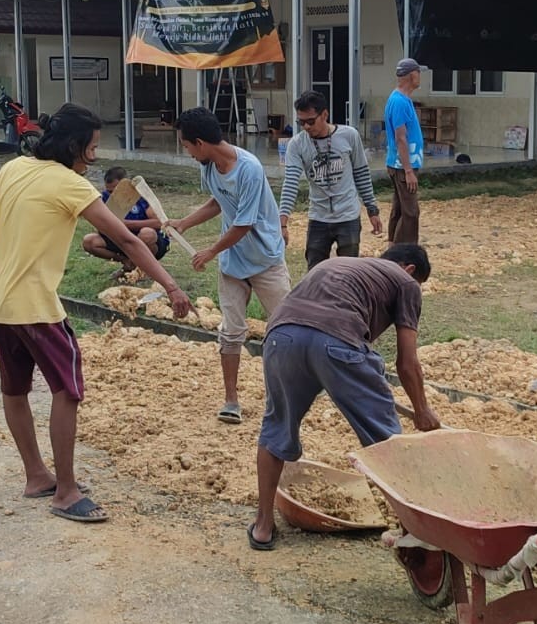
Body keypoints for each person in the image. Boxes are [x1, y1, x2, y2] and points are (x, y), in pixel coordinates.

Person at [0, 103, 192, 523]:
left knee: (15, 389)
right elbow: (128, 243)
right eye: (92, 147)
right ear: (75, 147)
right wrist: (171, 284)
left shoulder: (13, 169)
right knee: (68, 389)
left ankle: (38, 476)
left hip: (2, 304)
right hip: (36, 305)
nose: (95, 156)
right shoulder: (71, 184)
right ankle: (66, 492)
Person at [247, 244, 442, 550]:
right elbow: (407, 362)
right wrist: (422, 410)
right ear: (411, 270)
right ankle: (416, 531)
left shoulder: (341, 266)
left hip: (280, 338)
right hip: (337, 339)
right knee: (387, 442)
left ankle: (262, 526)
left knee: (276, 428)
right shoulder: (405, 283)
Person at [167, 107, 290, 425]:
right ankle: (231, 400)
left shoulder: (249, 168)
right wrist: (185, 223)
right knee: (231, 332)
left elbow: (243, 224)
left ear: (200, 142)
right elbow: (217, 202)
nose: (188, 153)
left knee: (285, 330)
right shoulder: (209, 167)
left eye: (186, 146)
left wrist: (210, 251)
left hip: (265, 260)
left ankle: (284, 396)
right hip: (234, 264)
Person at [277, 90, 381, 271]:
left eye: (311, 121)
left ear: (324, 114)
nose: (306, 127)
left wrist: (372, 209)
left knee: (348, 272)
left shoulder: (349, 135)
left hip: (348, 215)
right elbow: (291, 183)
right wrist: (282, 222)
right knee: (315, 271)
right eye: (301, 122)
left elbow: (361, 174)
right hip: (318, 216)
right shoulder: (297, 144)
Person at [81, 165, 170, 277]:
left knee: (147, 233)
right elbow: (100, 227)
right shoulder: (104, 199)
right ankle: (127, 262)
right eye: (109, 191)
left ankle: (141, 268)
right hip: (122, 241)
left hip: (148, 243)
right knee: (89, 241)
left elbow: (160, 222)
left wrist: (125, 224)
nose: (112, 195)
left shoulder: (142, 196)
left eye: (115, 190)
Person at [384, 58, 426, 244]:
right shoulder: (399, 102)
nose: (420, 77)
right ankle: (403, 253)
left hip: (399, 163)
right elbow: (401, 137)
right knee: (411, 212)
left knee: (400, 208)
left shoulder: (401, 99)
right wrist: (408, 171)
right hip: (402, 166)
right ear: (412, 75)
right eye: (419, 73)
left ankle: (393, 246)